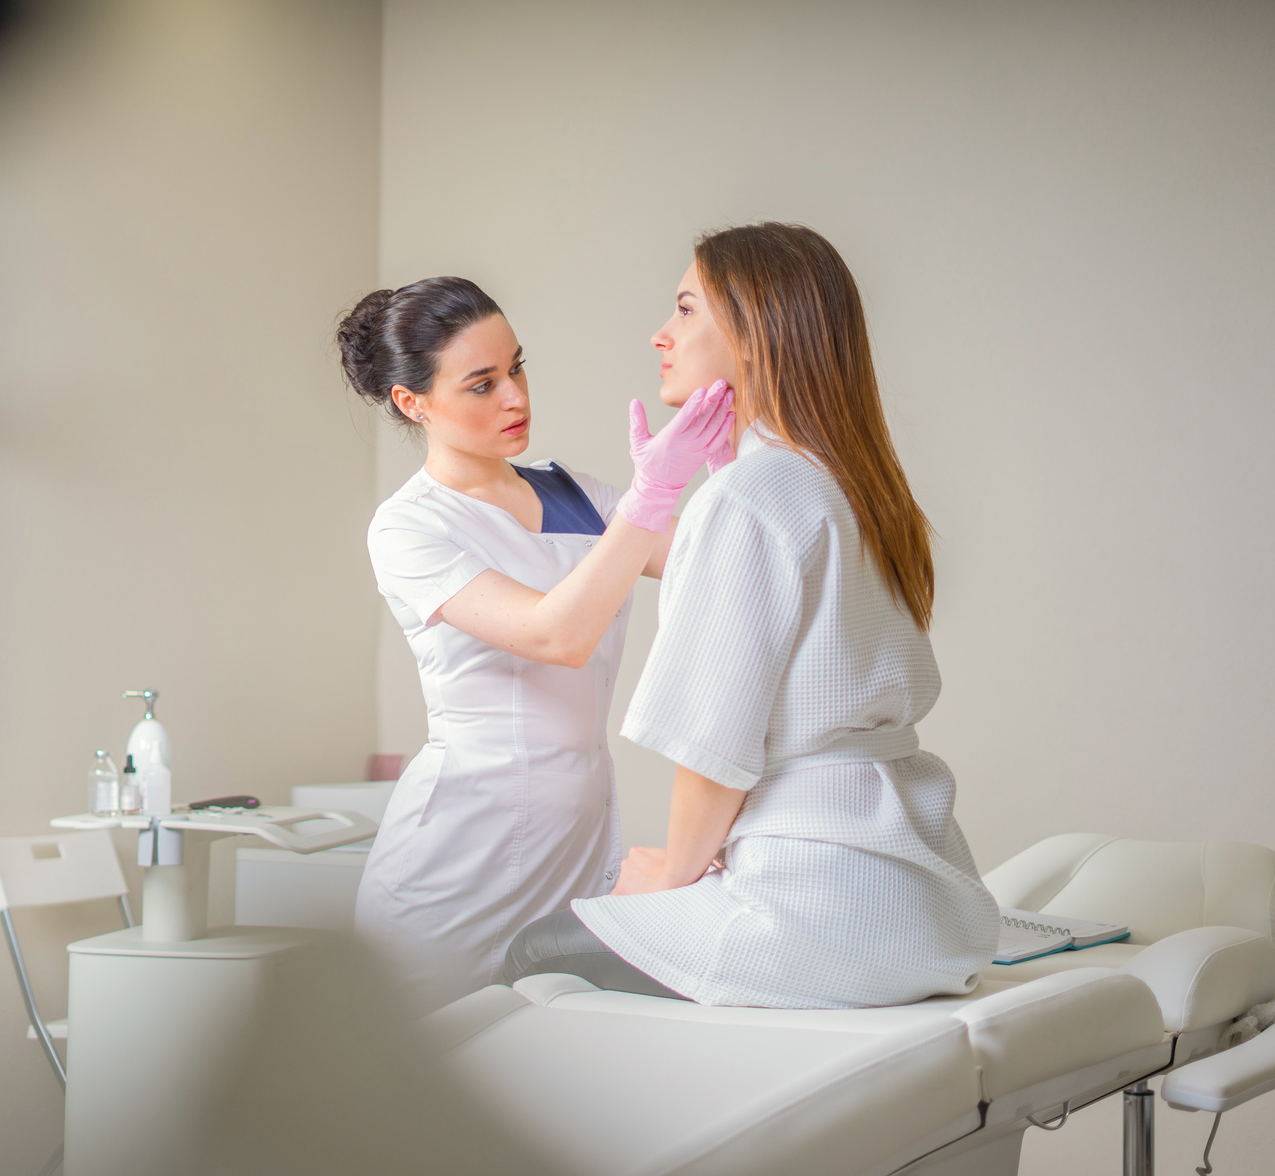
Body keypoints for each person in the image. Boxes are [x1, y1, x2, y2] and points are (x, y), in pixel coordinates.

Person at [501, 224, 1001, 1008]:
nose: (661, 334)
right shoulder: (857, 486)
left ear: (756, 332)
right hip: (929, 905)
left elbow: (712, 749)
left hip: (816, 912)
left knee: (535, 950)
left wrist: (669, 877)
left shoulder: (747, 499)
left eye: (686, 309)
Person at [338, 276, 733, 1013]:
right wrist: (648, 501)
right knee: (420, 1080)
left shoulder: (577, 496)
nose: (515, 398)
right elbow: (557, 635)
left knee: (545, 1061)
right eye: (482, 384)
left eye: (517, 368)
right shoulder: (410, 527)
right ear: (411, 401)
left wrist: (726, 471)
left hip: (574, 838)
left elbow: (723, 568)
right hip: (459, 847)